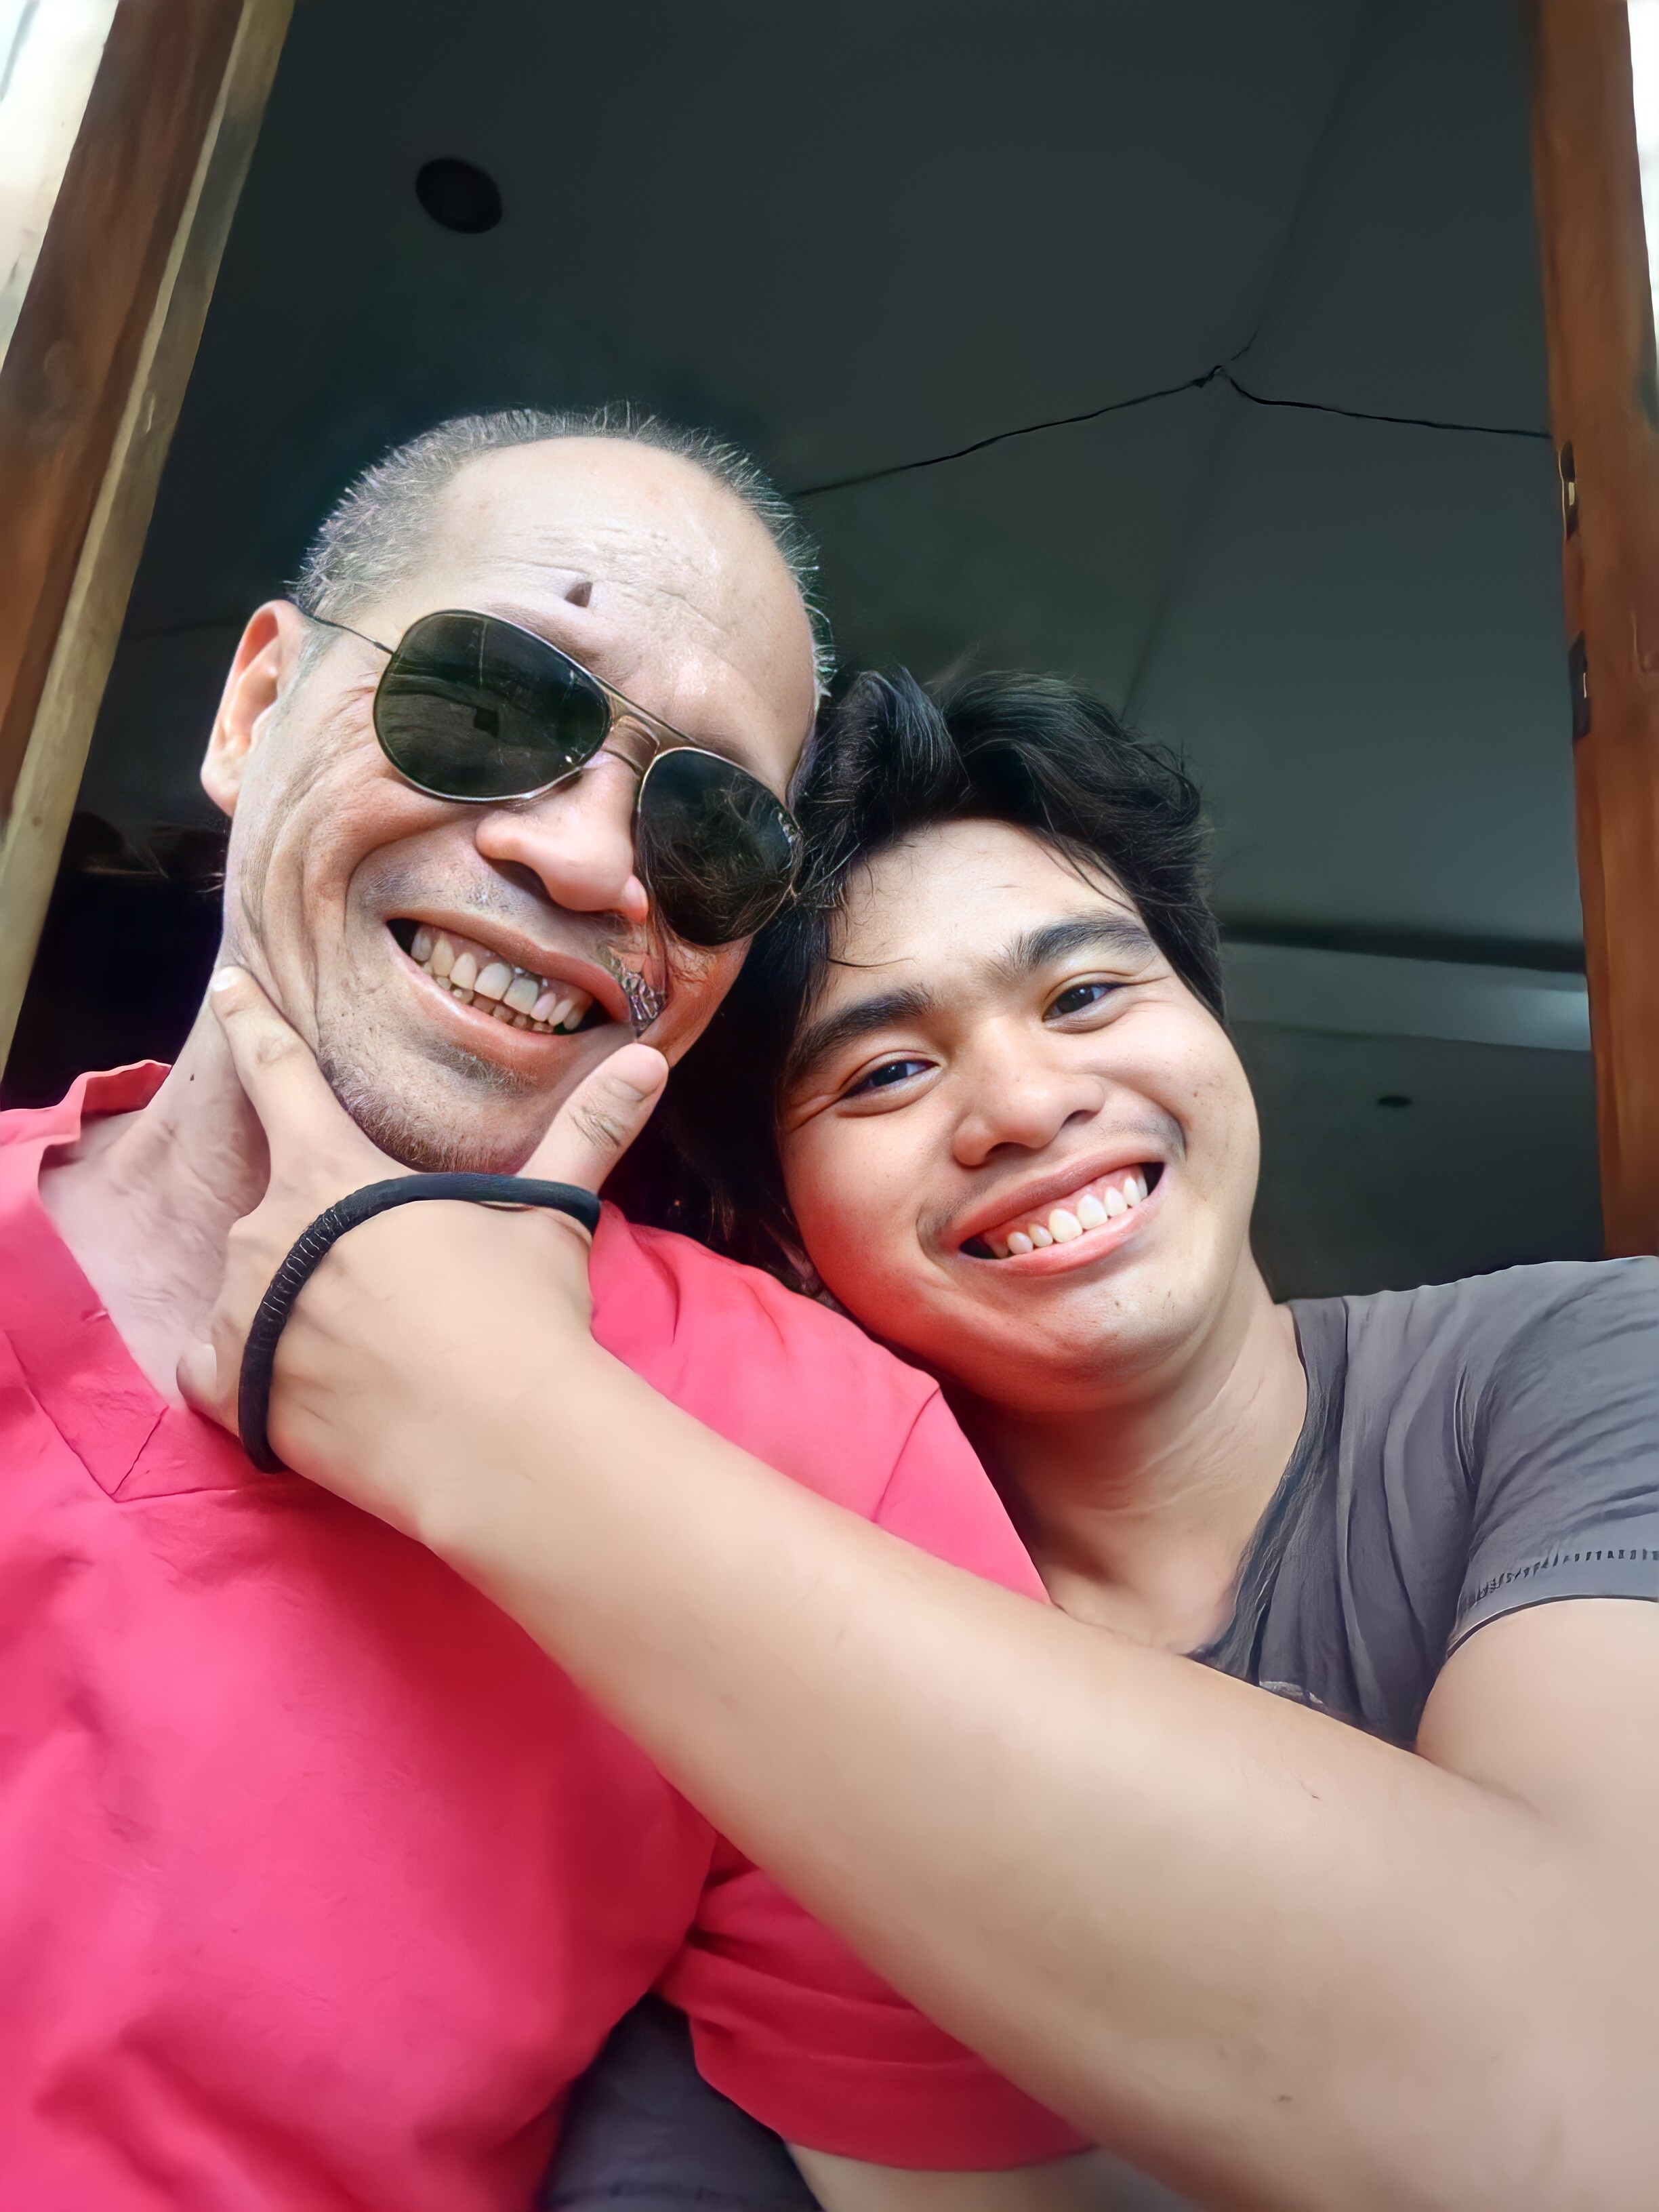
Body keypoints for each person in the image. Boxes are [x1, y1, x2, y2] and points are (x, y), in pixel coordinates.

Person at [183, 668, 1659, 2211]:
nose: (1025, 1102)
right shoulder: (687, 1671)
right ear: (778, 1228)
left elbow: (1609, 2096)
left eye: (1085, 997)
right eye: (887, 1071)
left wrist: (495, 1417)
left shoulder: (1582, 1363)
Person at [2, 415, 1104, 2209]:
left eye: (709, 823)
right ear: (255, 707)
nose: (593, 865)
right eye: (491, 701)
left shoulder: (832, 1459)